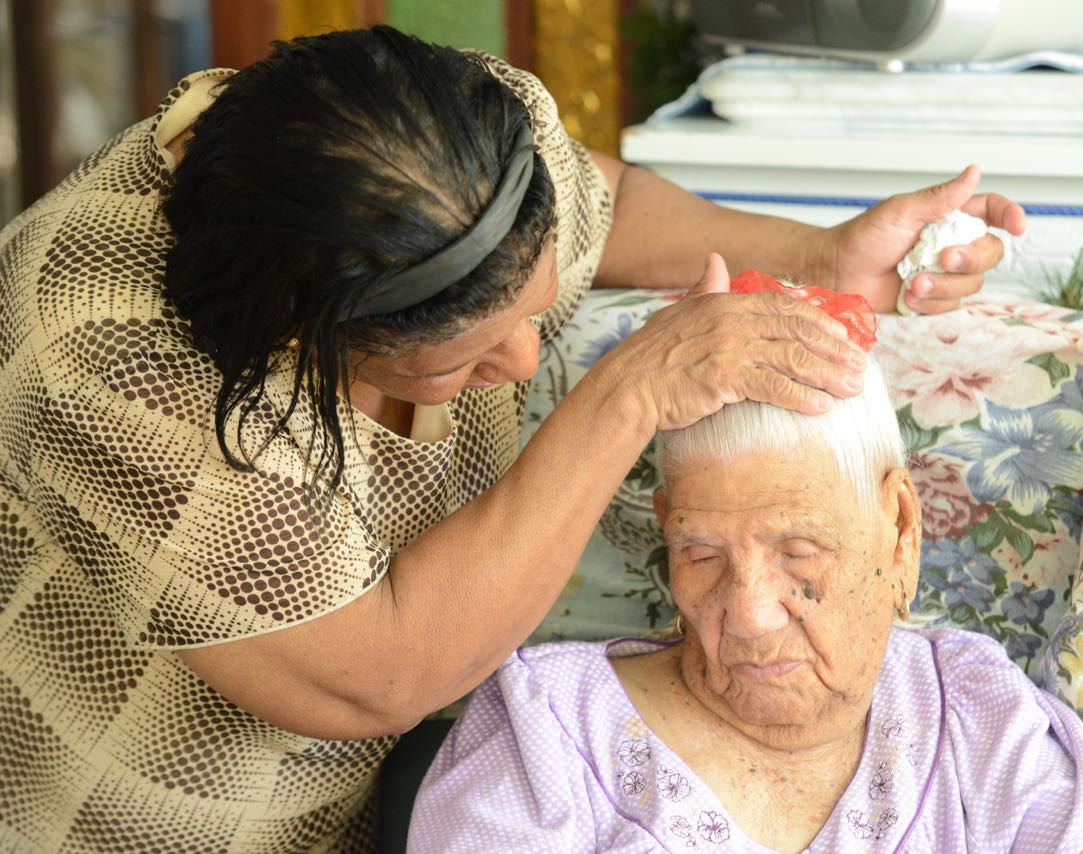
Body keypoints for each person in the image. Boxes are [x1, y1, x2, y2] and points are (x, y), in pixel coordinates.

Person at [0, 25, 1025, 853]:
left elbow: (592, 203)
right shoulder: (115, 368)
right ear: (298, 340)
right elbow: (379, 673)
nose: (530, 365)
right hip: (124, 816)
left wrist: (822, 253)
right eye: (462, 359)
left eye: (532, 311)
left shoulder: (444, 141)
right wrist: (627, 394)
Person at [407, 348, 1083, 853]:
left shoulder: (974, 717)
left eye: (798, 555)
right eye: (700, 555)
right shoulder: (548, 733)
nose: (751, 614)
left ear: (901, 529)